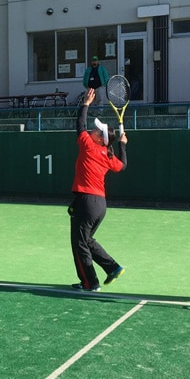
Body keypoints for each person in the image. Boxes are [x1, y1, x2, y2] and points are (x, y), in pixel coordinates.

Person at [68, 87, 128, 292]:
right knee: (86, 240)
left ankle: (89, 282)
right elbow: (123, 166)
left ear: (101, 139)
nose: (92, 131)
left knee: (79, 244)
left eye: (97, 131)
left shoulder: (88, 145)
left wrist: (85, 104)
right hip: (100, 205)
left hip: (86, 201)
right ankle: (113, 268)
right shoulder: (109, 156)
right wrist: (123, 145)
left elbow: (79, 125)